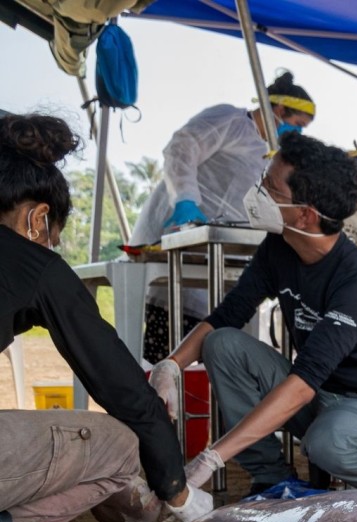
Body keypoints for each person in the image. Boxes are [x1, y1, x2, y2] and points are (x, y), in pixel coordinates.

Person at [151, 133, 357, 494]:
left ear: (305, 215)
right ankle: (272, 478)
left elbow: (304, 382)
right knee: (222, 344)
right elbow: (228, 314)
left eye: (270, 189)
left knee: (328, 443)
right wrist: (170, 366)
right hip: (318, 392)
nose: (257, 192)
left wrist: (212, 457)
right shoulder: (278, 247)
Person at [0, 113, 210, 522]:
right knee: (122, 445)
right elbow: (125, 395)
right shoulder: (34, 264)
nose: (51, 247)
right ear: (38, 218)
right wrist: (179, 491)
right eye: (53, 236)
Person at [131, 71, 317, 363]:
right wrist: (186, 200)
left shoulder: (270, 154)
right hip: (179, 230)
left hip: (216, 249)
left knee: (208, 344)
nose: (297, 134)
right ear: (278, 110)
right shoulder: (231, 121)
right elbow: (182, 147)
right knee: (165, 345)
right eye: (296, 125)